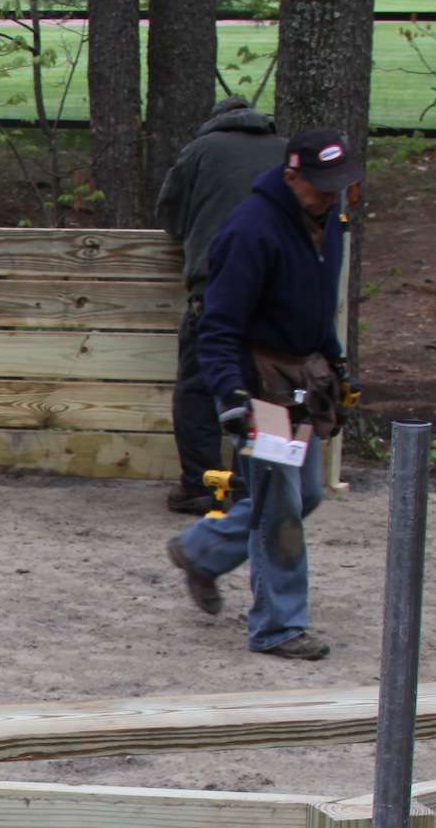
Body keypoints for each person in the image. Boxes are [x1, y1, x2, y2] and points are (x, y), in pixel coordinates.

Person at [164, 128, 362, 663]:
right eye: (321, 185)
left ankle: (202, 551)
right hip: (260, 386)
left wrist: (336, 363)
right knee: (281, 505)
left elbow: (319, 306)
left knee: (308, 493)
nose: (331, 195)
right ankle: (278, 627)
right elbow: (218, 324)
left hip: (301, 381)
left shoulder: (326, 223)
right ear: (292, 175)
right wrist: (230, 394)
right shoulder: (251, 229)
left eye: (338, 185)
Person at [155, 97, 287, 514]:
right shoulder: (286, 152)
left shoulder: (199, 151)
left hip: (213, 291)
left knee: (198, 389)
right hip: (276, 295)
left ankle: (201, 486)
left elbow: (171, 217)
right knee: (270, 391)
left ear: (214, 122)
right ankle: (263, 485)